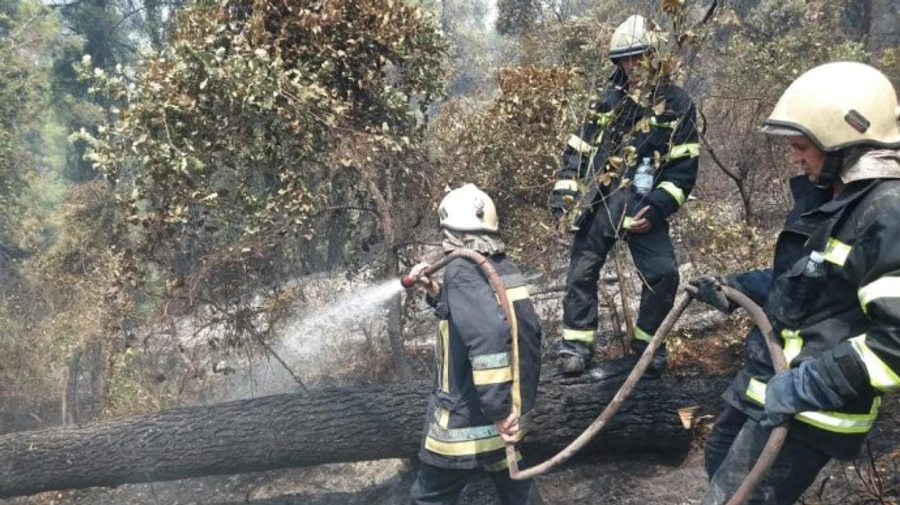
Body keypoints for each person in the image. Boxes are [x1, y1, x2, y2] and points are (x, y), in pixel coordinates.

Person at [687, 61, 900, 505]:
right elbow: (804, 284)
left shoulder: (886, 215)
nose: (794, 158)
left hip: (812, 409)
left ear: (847, 144)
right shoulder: (831, 198)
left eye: (803, 146)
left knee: (733, 498)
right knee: (717, 462)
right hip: (767, 385)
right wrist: (733, 288)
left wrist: (805, 386)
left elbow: (895, 343)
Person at [550, 14, 700, 374]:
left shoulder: (677, 104)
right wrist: (564, 198)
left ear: (654, 57)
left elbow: (683, 168)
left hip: (645, 203)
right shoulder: (605, 101)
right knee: (581, 273)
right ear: (617, 62)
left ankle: (647, 347)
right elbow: (578, 151)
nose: (633, 66)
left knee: (664, 274)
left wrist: (658, 207)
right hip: (602, 198)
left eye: (639, 57)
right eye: (626, 59)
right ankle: (576, 348)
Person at [407, 184, 545, 505]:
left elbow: (490, 335)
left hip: (466, 422)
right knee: (517, 489)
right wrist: (436, 292)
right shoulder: (501, 266)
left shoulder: (461, 269)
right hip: (503, 415)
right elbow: (512, 326)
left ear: (450, 230)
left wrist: (497, 410)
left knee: (428, 498)